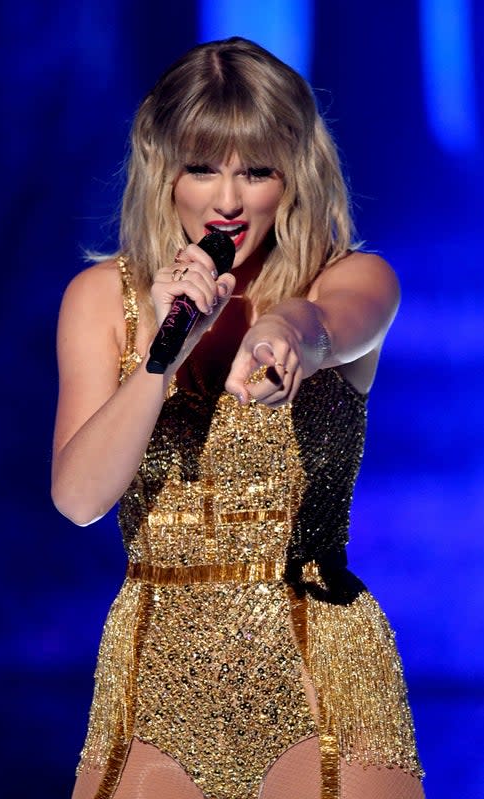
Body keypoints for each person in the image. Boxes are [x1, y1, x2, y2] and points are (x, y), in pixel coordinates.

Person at [52, 37, 424, 799]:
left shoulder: (351, 276)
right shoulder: (102, 299)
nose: (227, 200)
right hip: (152, 669)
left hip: (318, 660)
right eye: (203, 167)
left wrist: (286, 334)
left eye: (256, 171)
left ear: (294, 176)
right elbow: (79, 497)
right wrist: (166, 350)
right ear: (165, 172)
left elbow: (329, 321)